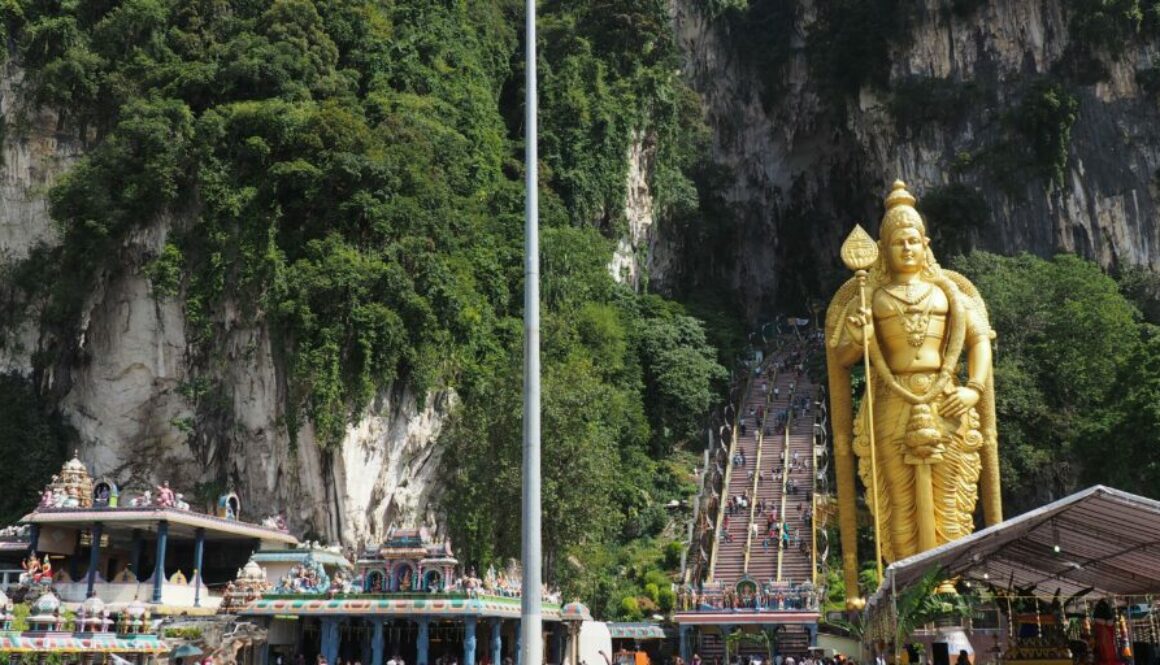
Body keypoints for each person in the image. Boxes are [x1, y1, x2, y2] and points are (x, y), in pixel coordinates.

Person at [826, 181, 1001, 608]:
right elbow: (843, 356)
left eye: (912, 240)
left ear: (925, 244)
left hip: (946, 399)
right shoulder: (871, 296)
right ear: (883, 249)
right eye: (896, 242)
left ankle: (947, 582)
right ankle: (908, 579)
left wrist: (974, 389)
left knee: (950, 491)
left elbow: (980, 342)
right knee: (896, 494)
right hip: (891, 399)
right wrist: (858, 335)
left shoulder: (951, 293)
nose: (905, 248)